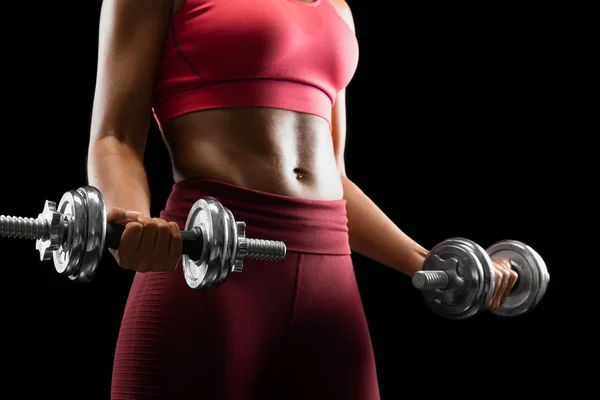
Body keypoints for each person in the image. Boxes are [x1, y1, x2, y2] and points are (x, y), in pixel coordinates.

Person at [87, 0, 518, 399]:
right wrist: (131, 223)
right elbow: (115, 137)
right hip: (209, 269)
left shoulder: (336, 10)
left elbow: (335, 176)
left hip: (330, 287)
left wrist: (426, 260)